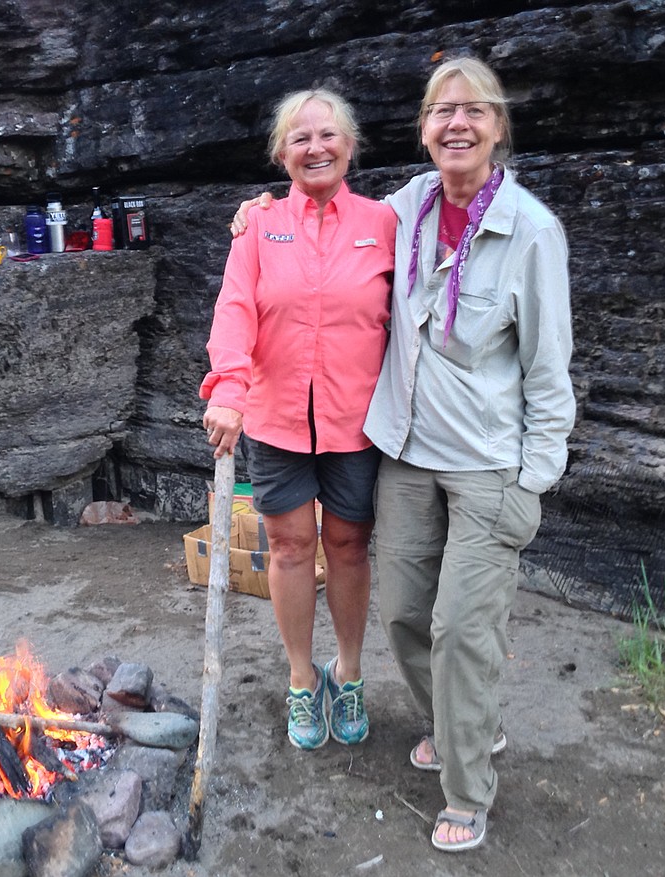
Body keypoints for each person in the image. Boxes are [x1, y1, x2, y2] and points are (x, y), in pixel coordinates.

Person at [232, 58, 575, 852]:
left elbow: (551, 370)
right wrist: (261, 211)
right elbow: (319, 215)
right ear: (423, 129)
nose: (457, 125)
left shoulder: (531, 231)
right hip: (410, 452)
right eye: (441, 112)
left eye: (473, 112)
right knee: (401, 615)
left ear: (498, 127)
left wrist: (536, 478)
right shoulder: (405, 210)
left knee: (461, 627)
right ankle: (468, 727)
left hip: (489, 463)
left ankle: (467, 788)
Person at [200, 88, 397, 751]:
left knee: (346, 545)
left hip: (356, 419)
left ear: (351, 144)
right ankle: (298, 677)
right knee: (287, 546)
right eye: (300, 137)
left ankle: (348, 670)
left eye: (328, 134)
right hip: (277, 415)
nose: (315, 146)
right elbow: (235, 310)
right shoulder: (257, 226)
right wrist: (228, 386)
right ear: (281, 153)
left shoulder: (384, 222)